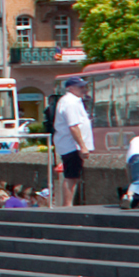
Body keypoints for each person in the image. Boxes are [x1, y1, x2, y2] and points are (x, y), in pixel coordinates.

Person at [49, 78, 94, 209]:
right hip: (71, 145)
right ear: (70, 88)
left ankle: (68, 204)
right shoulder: (70, 102)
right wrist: (82, 146)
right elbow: (73, 126)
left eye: (84, 87)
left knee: (74, 175)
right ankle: (67, 205)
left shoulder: (73, 101)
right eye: (80, 87)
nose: (84, 90)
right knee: (71, 175)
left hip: (71, 144)